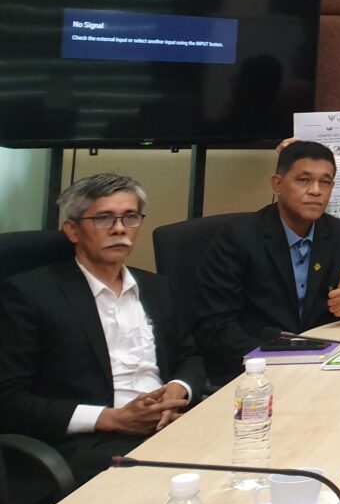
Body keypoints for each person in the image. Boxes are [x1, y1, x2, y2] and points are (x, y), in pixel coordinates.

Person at [0, 174, 204, 481]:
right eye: (104, 218)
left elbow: (190, 357)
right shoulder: (28, 294)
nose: (120, 228)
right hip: (91, 442)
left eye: (130, 217)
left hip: (168, 423)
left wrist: (177, 390)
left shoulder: (157, 287)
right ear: (72, 230)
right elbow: (10, 401)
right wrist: (111, 418)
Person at [194, 142, 340, 384]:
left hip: (323, 367)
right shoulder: (237, 237)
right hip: (253, 370)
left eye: (325, 182)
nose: (316, 191)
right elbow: (215, 324)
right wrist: (278, 359)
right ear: (277, 184)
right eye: (304, 180)